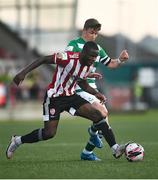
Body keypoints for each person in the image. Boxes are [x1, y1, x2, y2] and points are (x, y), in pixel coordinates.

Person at [6, 41, 126, 160]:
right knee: (49, 133)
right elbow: (43, 59)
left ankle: (115, 148)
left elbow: (82, 82)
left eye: (95, 57)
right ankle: (17, 141)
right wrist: (22, 73)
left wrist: (96, 93)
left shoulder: (88, 65)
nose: (93, 59)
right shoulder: (67, 57)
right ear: (83, 53)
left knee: (98, 116)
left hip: (71, 97)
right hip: (54, 98)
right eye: (91, 56)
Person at [65, 18, 129, 161]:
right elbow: (66, 64)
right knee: (102, 114)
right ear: (84, 30)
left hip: (92, 88)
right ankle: (106, 142)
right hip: (78, 87)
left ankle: (87, 153)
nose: (93, 36)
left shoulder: (97, 48)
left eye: (96, 34)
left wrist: (120, 60)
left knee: (103, 122)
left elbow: (110, 64)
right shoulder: (73, 45)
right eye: (91, 32)